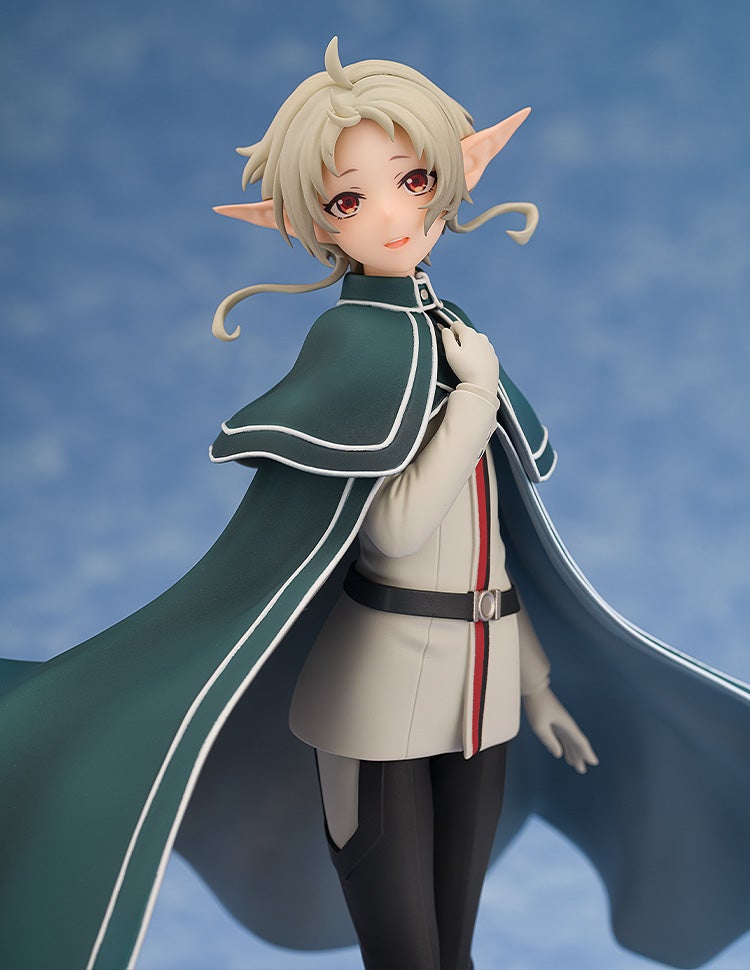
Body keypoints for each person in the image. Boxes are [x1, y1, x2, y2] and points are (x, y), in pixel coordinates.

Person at [1, 36, 748, 970]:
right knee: (406, 953)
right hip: (376, 702)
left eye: (415, 180)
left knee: (454, 948)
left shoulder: (454, 332)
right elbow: (395, 533)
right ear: (310, 223)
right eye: (349, 200)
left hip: (481, 697)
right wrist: (475, 402)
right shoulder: (356, 346)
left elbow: (497, 546)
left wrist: (536, 684)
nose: (394, 215)